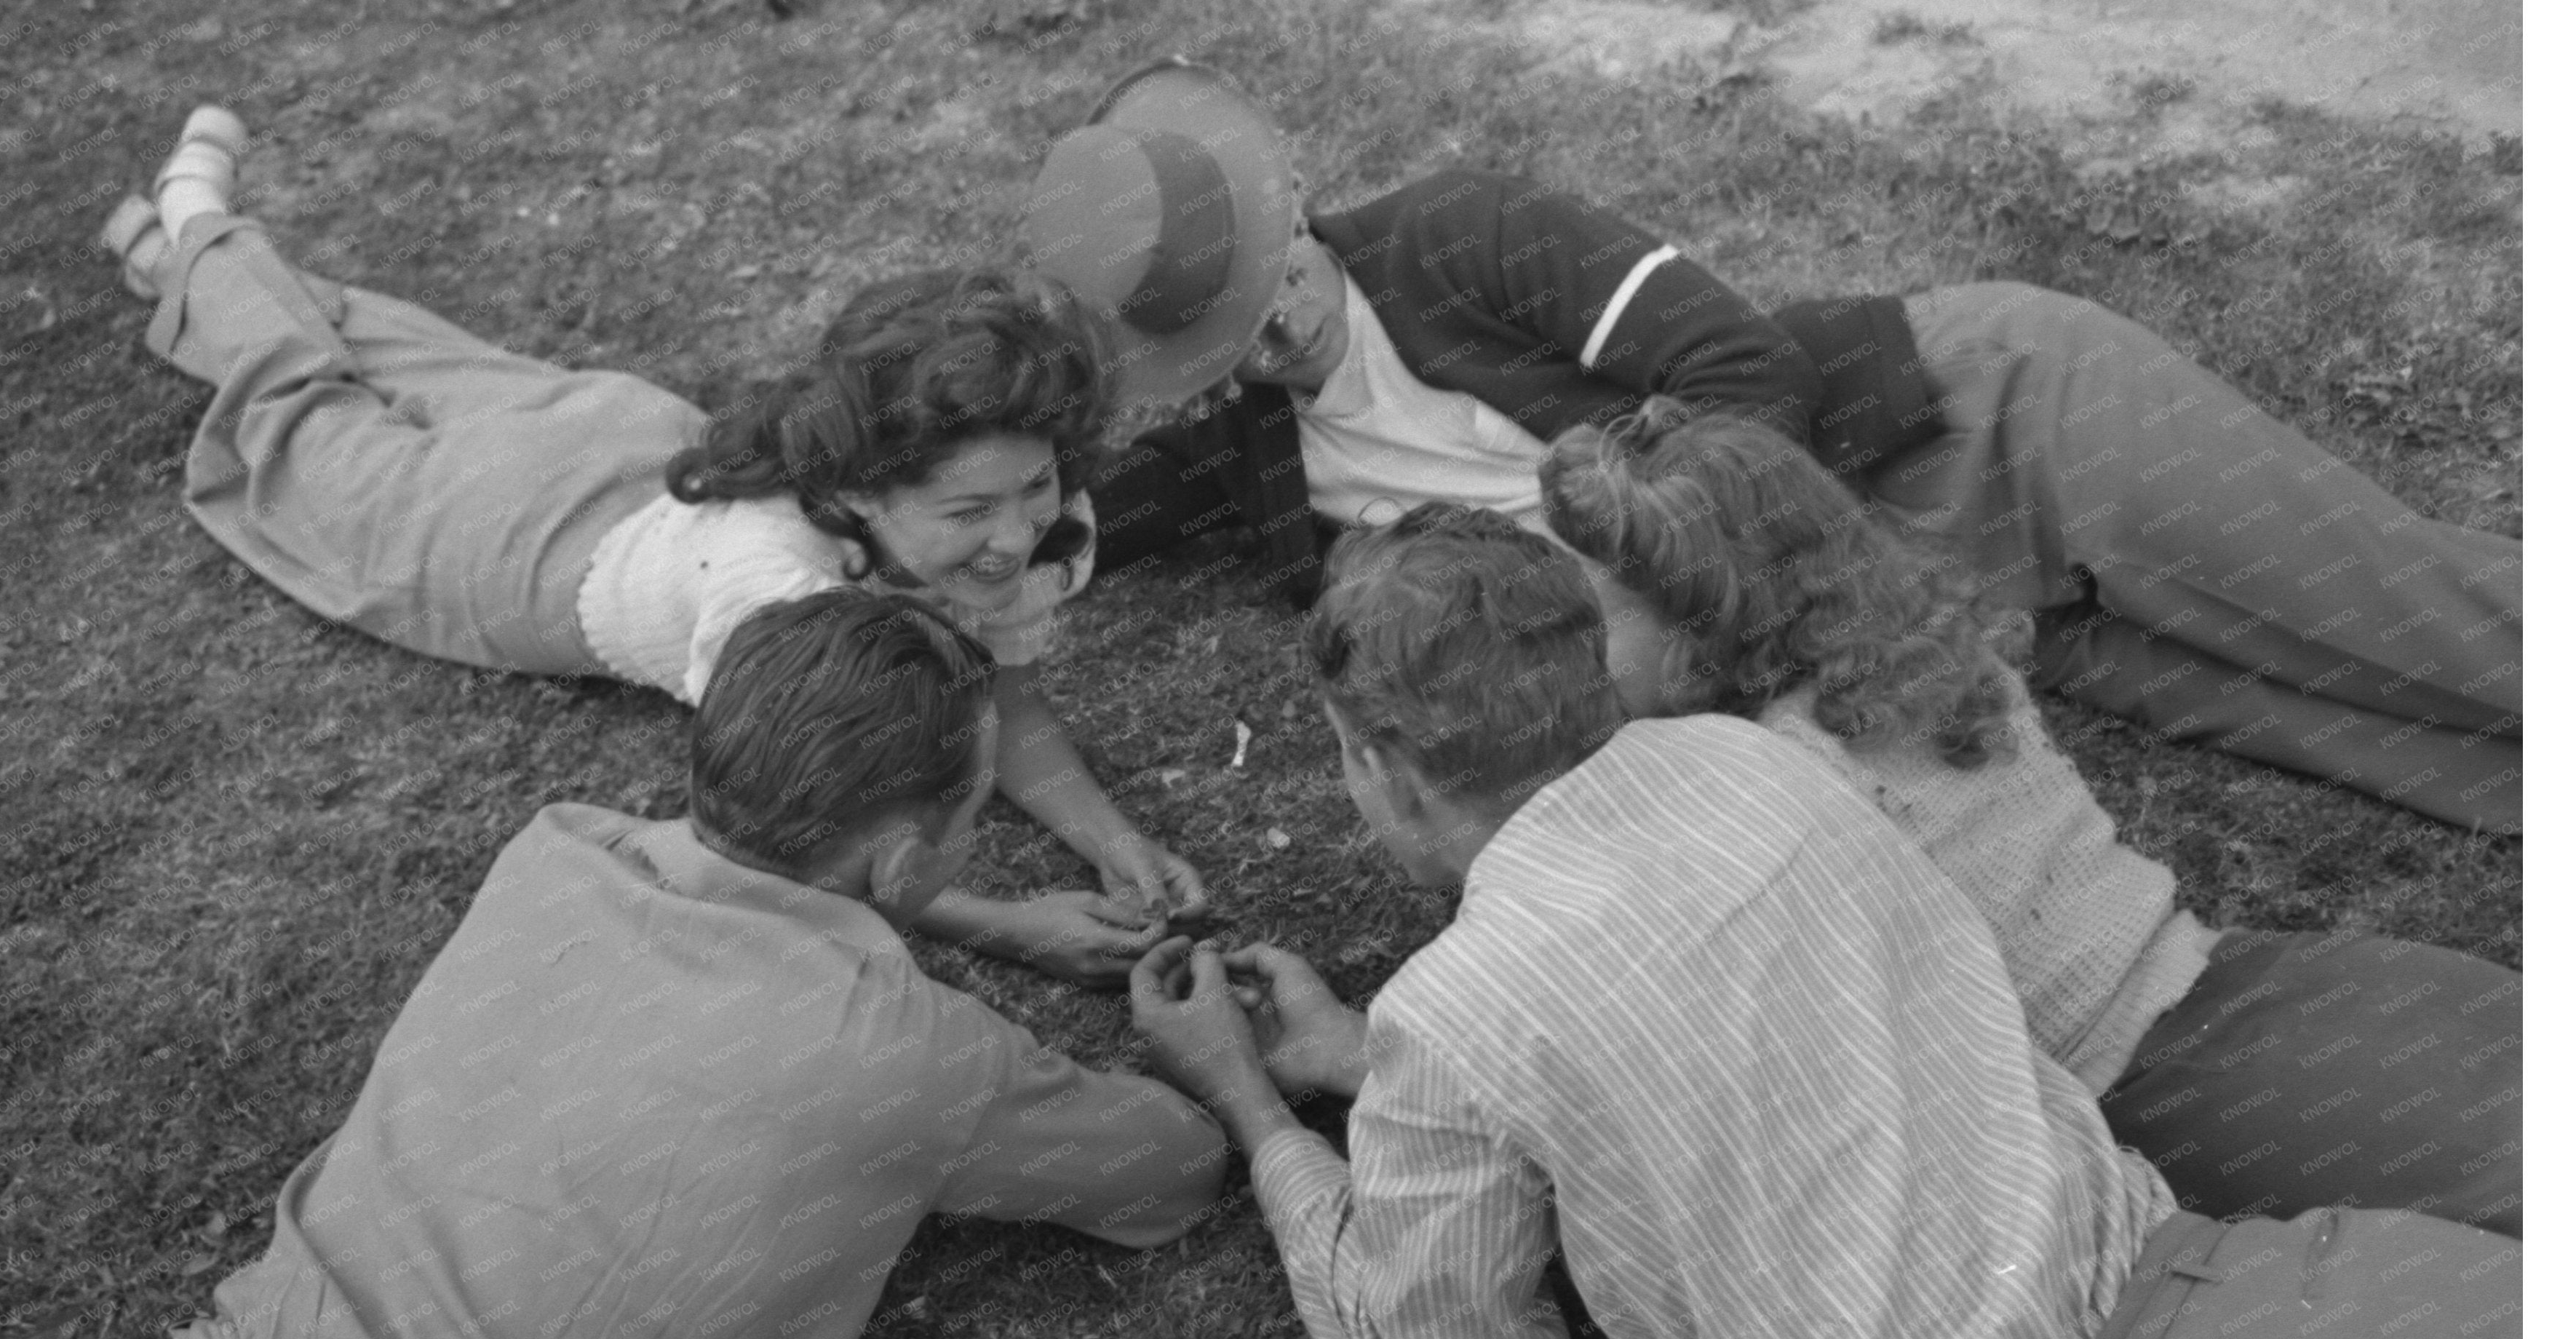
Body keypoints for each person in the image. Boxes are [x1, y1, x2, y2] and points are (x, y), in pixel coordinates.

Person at [1126, 506, 2518, 1339]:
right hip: (2300, 1280)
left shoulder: (1464, 1010)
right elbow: (1695, 1027)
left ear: (1373, 761)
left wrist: (1256, 1110)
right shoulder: (1746, 765)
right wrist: (1375, 1063)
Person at [0, 590, 1231, 1339]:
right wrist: (1213, 1063)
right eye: (972, 811)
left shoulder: (561, 849)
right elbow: (1164, 1175)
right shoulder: (913, 1057)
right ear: (900, 852)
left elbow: (757, 876)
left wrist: (936, 907)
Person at [1020, 61, 2521, 833]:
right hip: (1909, 620)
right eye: (1219, 339)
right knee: (2329, 727)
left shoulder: (1454, 232)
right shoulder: (1248, 460)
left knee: (2421, 619)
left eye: (1264, 289)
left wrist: (1658, 589)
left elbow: (1738, 370)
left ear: (1287, 209)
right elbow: (1048, 500)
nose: (1266, 340)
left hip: (1983, 420)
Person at [100, 107, 1200, 982]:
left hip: (623, 442)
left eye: (1034, 486)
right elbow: (796, 846)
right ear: (861, 488)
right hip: (506, 551)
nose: (1015, 536)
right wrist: (1009, 924)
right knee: (298, 413)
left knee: (384, 344)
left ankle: (188, 261)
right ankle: (191, 224)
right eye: (968, 513)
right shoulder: (774, 612)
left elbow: (1004, 698)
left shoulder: (996, 528)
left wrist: (1114, 840)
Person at [1538, 402, 2520, 1235]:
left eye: (1593, 613)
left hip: (2154, 1090)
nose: (1566, 640)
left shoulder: (1774, 784)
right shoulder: (1918, 653)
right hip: (2265, 980)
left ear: (1695, 626)